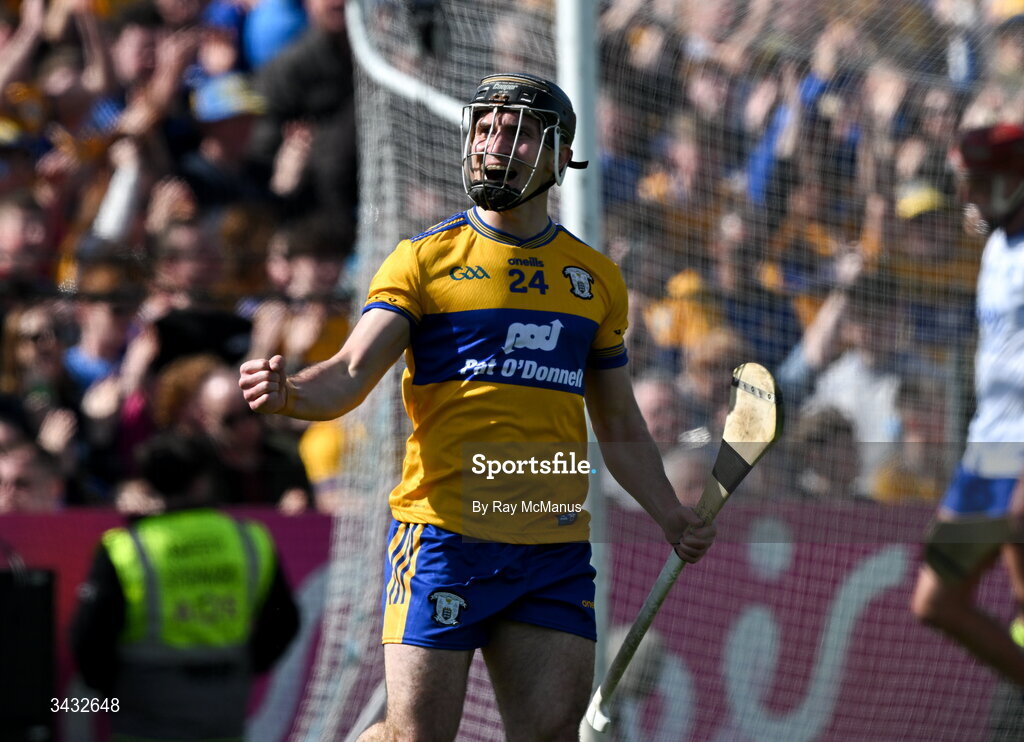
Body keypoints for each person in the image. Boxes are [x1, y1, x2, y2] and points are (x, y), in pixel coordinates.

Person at [239, 72, 716, 740]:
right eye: (486, 128)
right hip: (443, 540)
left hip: (550, 546)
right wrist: (293, 392)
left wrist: (669, 512)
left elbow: (617, 420)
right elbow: (349, 372)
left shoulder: (595, 280)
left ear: (558, 155)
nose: (495, 144)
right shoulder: (423, 261)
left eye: (517, 132)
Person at [70, 432, 299, 741]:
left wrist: (111, 687)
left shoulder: (127, 546)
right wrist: (246, 666)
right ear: (203, 480)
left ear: (148, 482)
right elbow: (285, 621)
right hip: (224, 703)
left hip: (144, 707)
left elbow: (89, 639)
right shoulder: (250, 539)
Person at [910, 123, 1024, 687]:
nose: (966, 198)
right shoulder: (998, 248)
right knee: (935, 601)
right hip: (989, 457)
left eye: (977, 183)